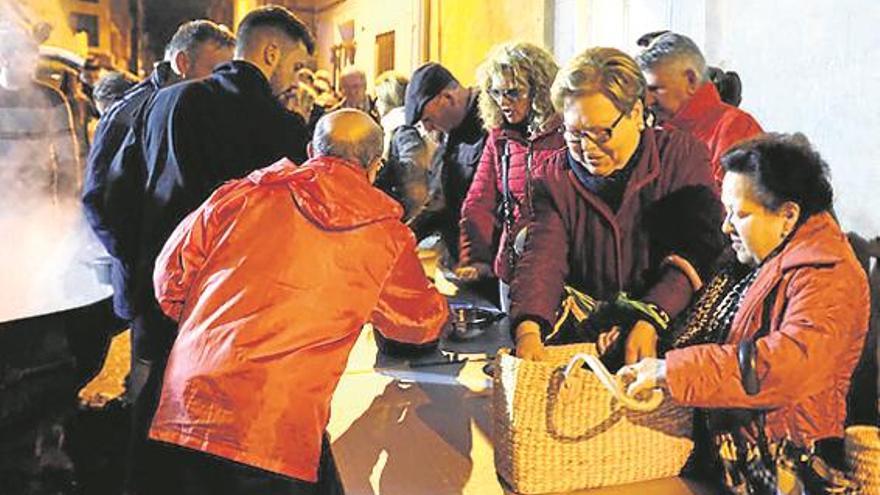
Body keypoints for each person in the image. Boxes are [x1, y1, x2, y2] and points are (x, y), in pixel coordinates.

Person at [147, 109, 448, 494]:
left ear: (311, 150)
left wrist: (203, 326)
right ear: (376, 166)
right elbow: (418, 322)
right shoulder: (384, 234)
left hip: (188, 401)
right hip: (273, 428)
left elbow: (169, 278)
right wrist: (443, 309)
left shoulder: (242, 194)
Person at [124, 7, 315, 493]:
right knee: (200, 450)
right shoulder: (280, 127)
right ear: (271, 53)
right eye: (295, 67)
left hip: (156, 290)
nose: (293, 81)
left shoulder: (166, 101)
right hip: (223, 316)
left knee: (148, 430)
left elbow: (126, 191)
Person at [621, 134, 870, 491]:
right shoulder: (754, 261)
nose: (726, 226)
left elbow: (787, 365)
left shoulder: (829, 276)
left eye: (740, 214)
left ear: (788, 215)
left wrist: (670, 370)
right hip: (730, 458)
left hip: (787, 468)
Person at [511, 47, 724, 364]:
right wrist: (528, 329)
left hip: (673, 330)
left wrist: (651, 317)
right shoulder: (554, 175)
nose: (588, 149)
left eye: (602, 133)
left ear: (637, 115)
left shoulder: (680, 156)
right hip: (595, 336)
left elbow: (697, 247)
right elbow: (543, 256)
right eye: (574, 134)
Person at [81, 19, 235, 390]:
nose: (223, 84)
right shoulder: (131, 111)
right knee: (148, 379)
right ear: (183, 62)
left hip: (188, 279)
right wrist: (138, 260)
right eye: (216, 71)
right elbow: (99, 198)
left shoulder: (202, 112)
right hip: (147, 280)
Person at [456, 41, 564, 312]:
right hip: (512, 267)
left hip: (561, 268)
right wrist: (476, 258)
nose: (503, 102)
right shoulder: (500, 139)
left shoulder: (566, 135)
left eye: (513, 93)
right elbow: (478, 201)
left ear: (540, 90)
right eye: (496, 92)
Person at [636, 32, 762, 186]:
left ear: (691, 80)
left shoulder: (736, 128)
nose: (648, 101)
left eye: (656, 89)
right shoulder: (656, 132)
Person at [405, 62, 488, 263]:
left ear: (448, 98)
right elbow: (439, 202)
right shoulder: (449, 132)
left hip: (487, 266)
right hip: (461, 263)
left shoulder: (490, 122)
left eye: (428, 119)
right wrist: (404, 236)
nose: (429, 128)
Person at [0, 22, 80, 206]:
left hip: (38, 201)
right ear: (5, 59)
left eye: (33, 62)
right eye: (24, 62)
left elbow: (67, 157)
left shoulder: (52, 99)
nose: (31, 69)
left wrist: (67, 204)